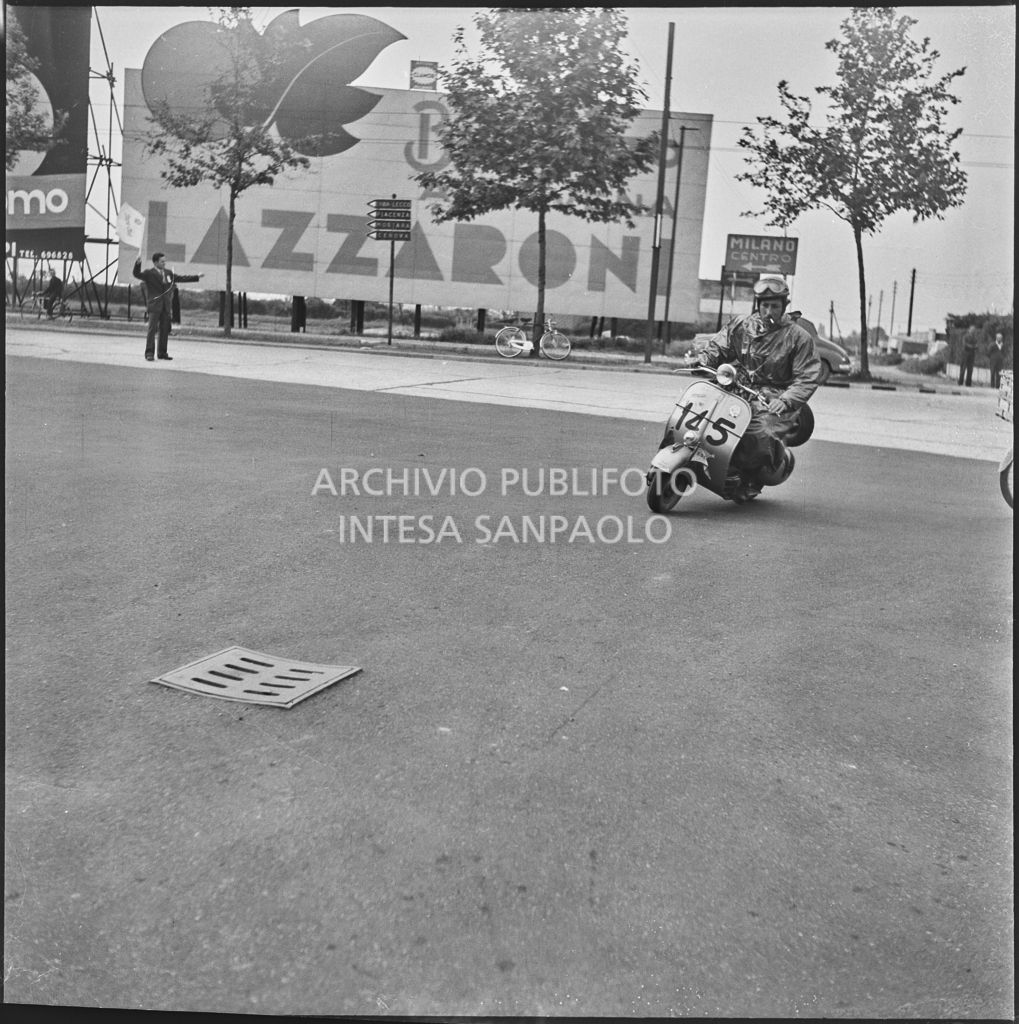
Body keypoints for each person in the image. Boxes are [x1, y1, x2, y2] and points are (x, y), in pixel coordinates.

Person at [698, 275, 822, 500]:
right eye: (765, 306)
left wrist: (785, 400)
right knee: (701, 409)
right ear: (758, 305)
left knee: (758, 431)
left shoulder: (799, 337)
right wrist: (704, 359)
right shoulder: (742, 325)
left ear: (784, 306)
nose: (768, 311)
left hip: (775, 396)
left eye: (775, 306)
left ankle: (748, 478)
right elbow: (719, 345)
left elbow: (807, 377)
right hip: (738, 385)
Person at [132, 252, 203, 361]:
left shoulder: (169, 273)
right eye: (162, 261)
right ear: (155, 262)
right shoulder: (149, 273)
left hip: (166, 306)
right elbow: (136, 274)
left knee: (164, 330)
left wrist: (196, 277)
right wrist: (137, 264)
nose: (164, 263)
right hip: (155, 306)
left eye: (165, 261)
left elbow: (181, 278)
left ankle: (162, 352)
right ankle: (149, 353)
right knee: (152, 330)